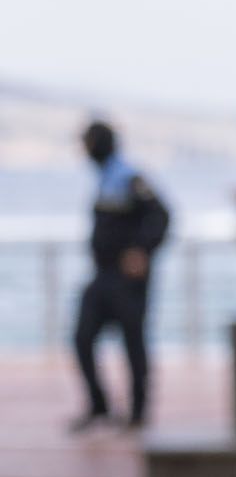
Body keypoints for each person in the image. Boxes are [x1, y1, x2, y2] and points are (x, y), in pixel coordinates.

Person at [67, 120, 170, 435]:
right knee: (83, 337)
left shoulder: (129, 177)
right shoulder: (104, 179)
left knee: (133, 342)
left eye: (87, 143)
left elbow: (161, 216)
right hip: (102, 276)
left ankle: (138, 413)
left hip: (128, 280)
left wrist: (141, 250)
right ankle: (99, 405)